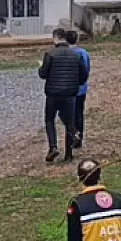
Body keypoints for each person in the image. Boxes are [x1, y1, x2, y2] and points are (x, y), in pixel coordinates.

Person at [39, 28, 88, 163]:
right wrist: (75, 83)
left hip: (53, 93)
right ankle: (69, 153)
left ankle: (53, 146)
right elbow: (83, 75)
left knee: (50, 120)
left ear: (55, 38)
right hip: (70, 94)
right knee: (70, 122)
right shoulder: (76, 55)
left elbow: (43, 74)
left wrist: (41, 67)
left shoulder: (50, 54)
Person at [67, 29, 90, 149]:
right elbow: (87, 69)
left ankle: (72, 136)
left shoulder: (66, 53)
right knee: (79, 114)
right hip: (82, 89)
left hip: (69, 89)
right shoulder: (84, 53)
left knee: (69, 114)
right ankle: (79, 137)